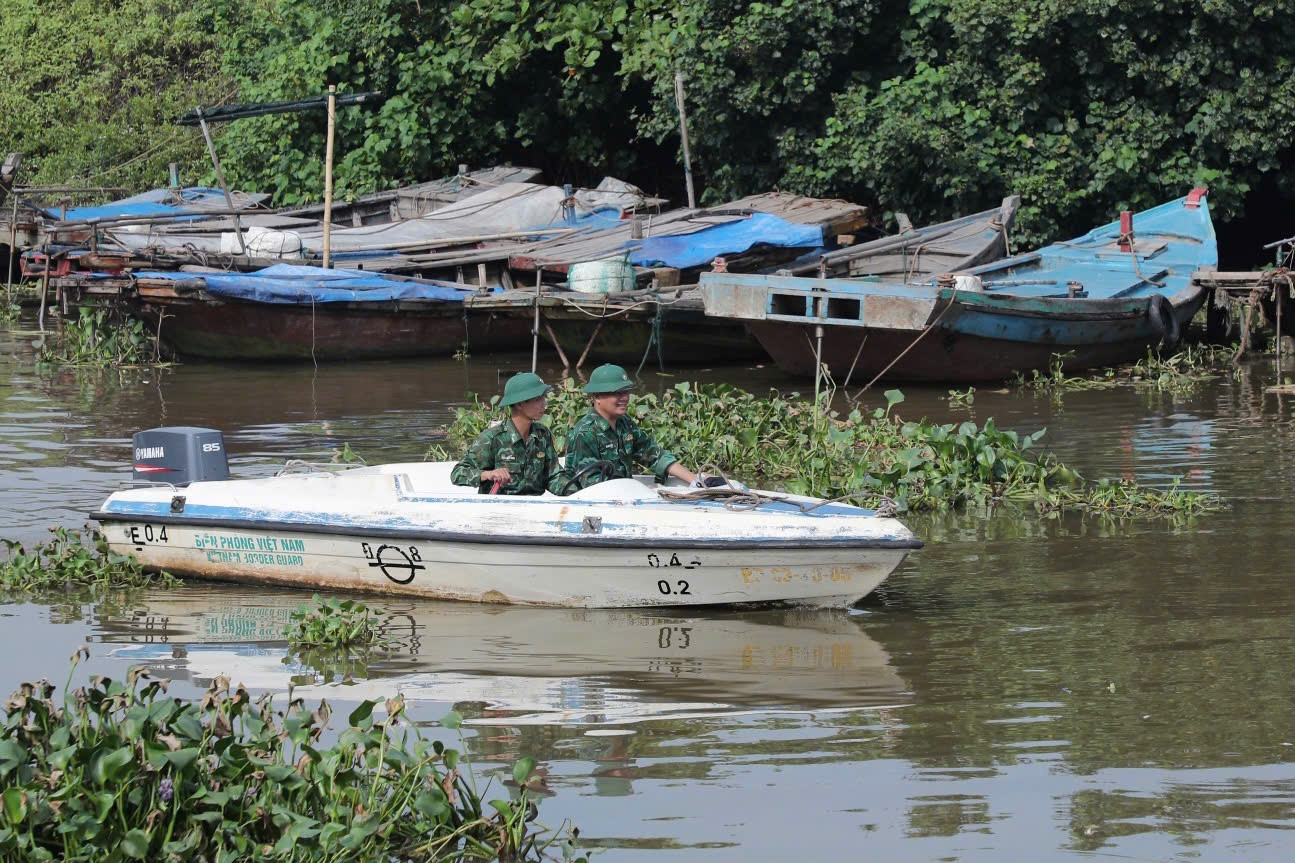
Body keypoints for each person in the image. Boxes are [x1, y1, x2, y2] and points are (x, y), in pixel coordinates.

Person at [562, 364, 699, 492]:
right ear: (597, 396)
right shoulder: (585, 433)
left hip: (625, 496)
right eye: (617, 393)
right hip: (593, 503)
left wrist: (694, 479)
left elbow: (652, 454)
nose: (625, 398)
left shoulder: (624, 422)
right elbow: (592, 485)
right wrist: (642, 491)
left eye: (626, 392)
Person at [451, 372, 564, 495]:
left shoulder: (542, 434)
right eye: (538, 399)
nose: (544, 404)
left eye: (544, 398)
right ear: (520, 404)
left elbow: (553, 477)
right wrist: (487, 474)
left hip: (534, 509)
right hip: (499, 510)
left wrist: (577, 488)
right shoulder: (492, 438)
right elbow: (458, 473)